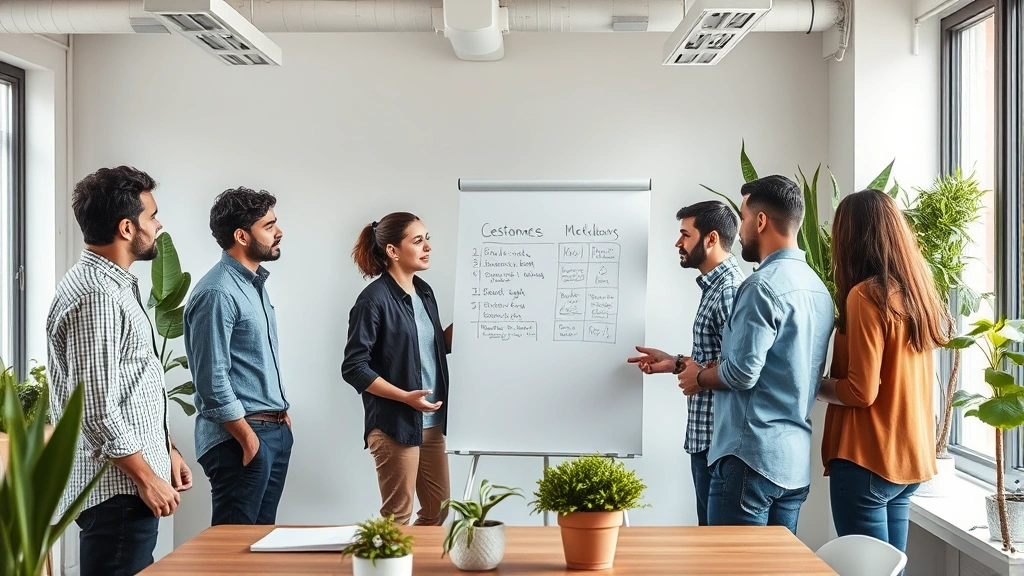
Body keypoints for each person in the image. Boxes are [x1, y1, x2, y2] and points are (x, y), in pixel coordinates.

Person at [47, 166, 191, 576]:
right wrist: (147, 477)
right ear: (127, 228)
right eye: (152, 215)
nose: (159, 224)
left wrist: (168, 451)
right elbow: (94, 409)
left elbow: (130, 387)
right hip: (119, 492)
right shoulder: (97, 296)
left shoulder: (113, 285)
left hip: (127, 485)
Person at [677, 175, 834, 533]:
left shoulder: (760, 286)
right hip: (794, 466)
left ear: (760, 221)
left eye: (744, 217)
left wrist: (699, 376)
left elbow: (741, 373)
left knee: (731, 569)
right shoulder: (818, 288)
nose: (741, 228)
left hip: (749, 459)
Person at [817, 189, 945, 553]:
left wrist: (815, 384)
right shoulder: (917, 295)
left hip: (867, 459)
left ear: (851, 238)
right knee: (890, 569)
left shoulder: (865, 295)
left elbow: (861, 391)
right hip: (908, 461)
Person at [627, 200, 743, 526]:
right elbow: (716, 359)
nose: (678, 243)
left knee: (715, 551)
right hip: (706, 440)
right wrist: (673, 362)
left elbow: (739, 368)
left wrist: (693, 370)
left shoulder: (730, 291)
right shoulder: (714, 288)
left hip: (718, 445)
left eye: (685, 235)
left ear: (711, 239)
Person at [183, 187, 292, 526]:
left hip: (270, 429)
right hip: (238, 437)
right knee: (231, 551)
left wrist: (280, 413)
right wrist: (249, 438)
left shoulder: (252, 285)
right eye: (269, 225)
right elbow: (211, 379)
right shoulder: (217, 292)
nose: (279, 231)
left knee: (259, 545)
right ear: (242, 236)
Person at [342, 211, 452, 526]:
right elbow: (354, 367)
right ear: (393, 251)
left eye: (427, 239)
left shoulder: (425, 292)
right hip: (394, 425)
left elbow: (425, 349)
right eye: (418, 241)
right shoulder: (372, 301)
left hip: (431, 421)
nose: (427, 247)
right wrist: (405, 397)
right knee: (397, 516)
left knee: (438, 509)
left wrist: (471, 326)